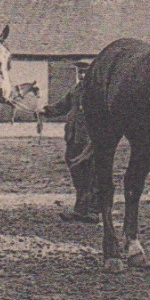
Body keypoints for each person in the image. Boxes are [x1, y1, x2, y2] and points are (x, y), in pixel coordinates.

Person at [39, 62, 95, 222]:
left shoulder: (97, 92)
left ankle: (92, 211)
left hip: (90, 139)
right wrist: (46, 111)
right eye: (80, 73)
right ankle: (81, 209)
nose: (82, 76)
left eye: (85, 72)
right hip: (73, 136)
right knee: (77, 173)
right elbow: (62, 106)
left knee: (92, 173)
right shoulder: (75, 90)